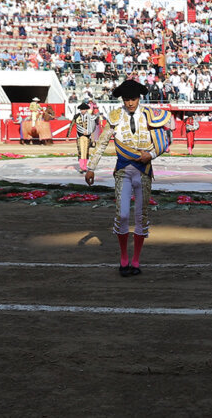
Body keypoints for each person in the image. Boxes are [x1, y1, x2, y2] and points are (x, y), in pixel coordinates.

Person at [84, 79, 173, 277]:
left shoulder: (151, 116)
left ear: (139, 98)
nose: (130, 103)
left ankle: (135, 260)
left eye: (133, 99)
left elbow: (165, 140)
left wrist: (151, 154)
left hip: (143, 170)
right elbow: (102, 143)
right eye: (126, 99)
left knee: (141, 216)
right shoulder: (115, 117)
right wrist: (91, 167)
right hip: (123, 170)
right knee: (123, 214)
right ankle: (124, 257)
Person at [71, 101, 96, 172]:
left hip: (88, 137)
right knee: (81, 151)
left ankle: (84, 166)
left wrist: (93, 140)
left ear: (86, 110)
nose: (82, 110)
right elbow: (71, 125)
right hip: (80, 136)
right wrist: (67, 136)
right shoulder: (76, 116)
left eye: (84, 109)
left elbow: (92, 128)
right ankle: (82, 167)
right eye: (81, 109)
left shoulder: (90, 117)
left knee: (86, 151)